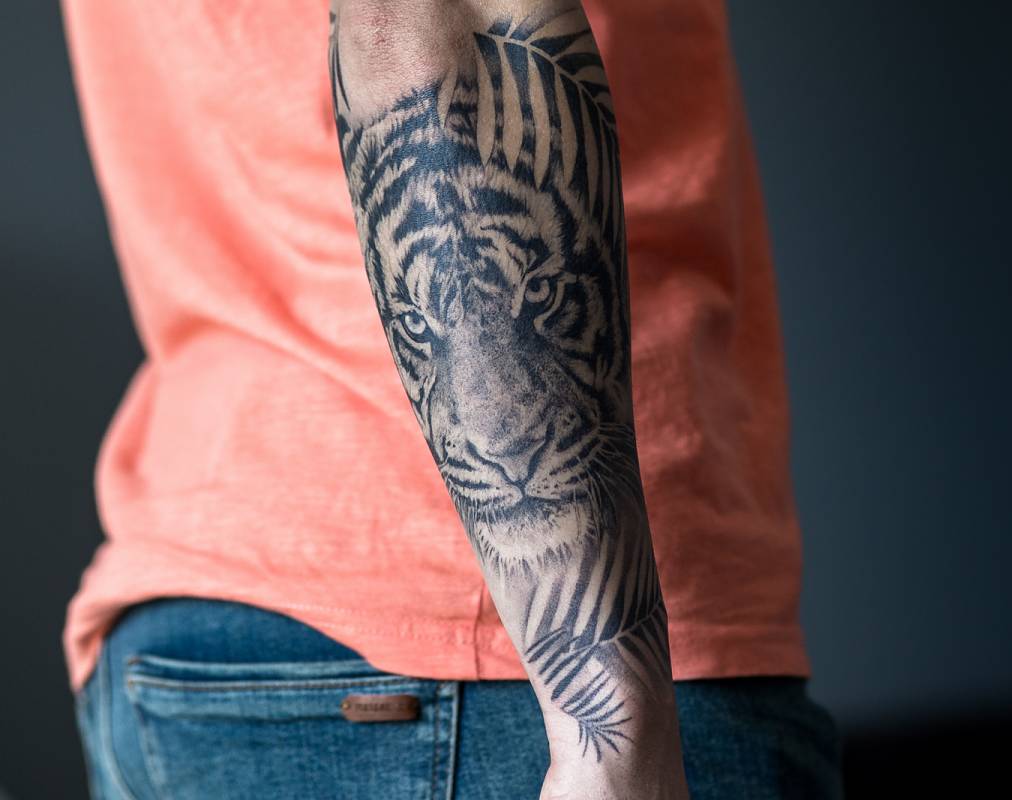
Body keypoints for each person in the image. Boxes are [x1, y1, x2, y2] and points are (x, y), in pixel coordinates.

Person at [62, 0, 843, 797]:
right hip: (507, 657)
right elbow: (416, 23)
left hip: (193, 620)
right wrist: (607, 726)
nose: (501, 433)